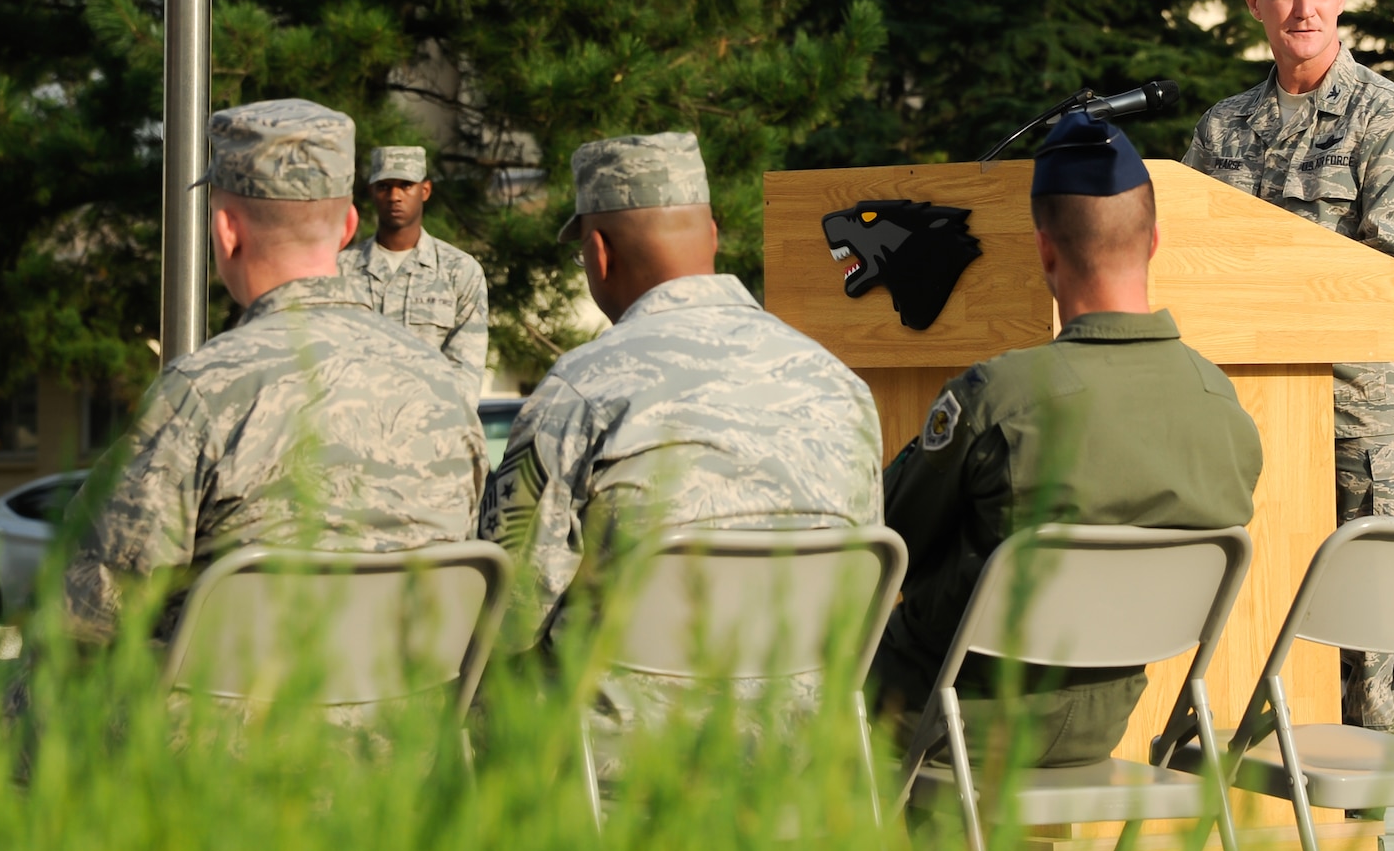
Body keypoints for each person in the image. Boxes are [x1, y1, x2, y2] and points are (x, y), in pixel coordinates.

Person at [873, 112, 1263, 768]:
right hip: (1105, 720)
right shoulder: (1222, 409)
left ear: (1045, 250)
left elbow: (889, 534)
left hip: (940, 717)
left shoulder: (999, 398)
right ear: (1155, 240)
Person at [479, 131, 882, 723]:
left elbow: (503, 614)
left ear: (598, 252)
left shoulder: (582, 391)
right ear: (713, 237)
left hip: (614, 774)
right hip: (798, 761)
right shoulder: (841, 387)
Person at [64, 99, 488, 642]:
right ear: (348, 227)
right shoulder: (444, 394)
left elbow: (86, 615)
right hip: (406, 720)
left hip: (230, 724)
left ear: (225, 232)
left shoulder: (202, 391)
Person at [1181, 0, 1394, 736]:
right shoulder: (1222, 130)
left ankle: (1364, 838)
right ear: (1254, 1)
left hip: (1369, 425)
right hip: (1255, 424)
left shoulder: (1386, 119)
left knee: (1378, 655)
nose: (1304, 5)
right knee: (1257, 632)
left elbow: (1386, 280)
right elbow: (1187, 265)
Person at [340, 145, 489, 408]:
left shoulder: (459, 271)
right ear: (371, 192)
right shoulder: (340, 270)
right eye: (384, 186)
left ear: (425, 190)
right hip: (355, 431)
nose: (394, 196)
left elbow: (465, 370)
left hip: (431, 433)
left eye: (406, 185)